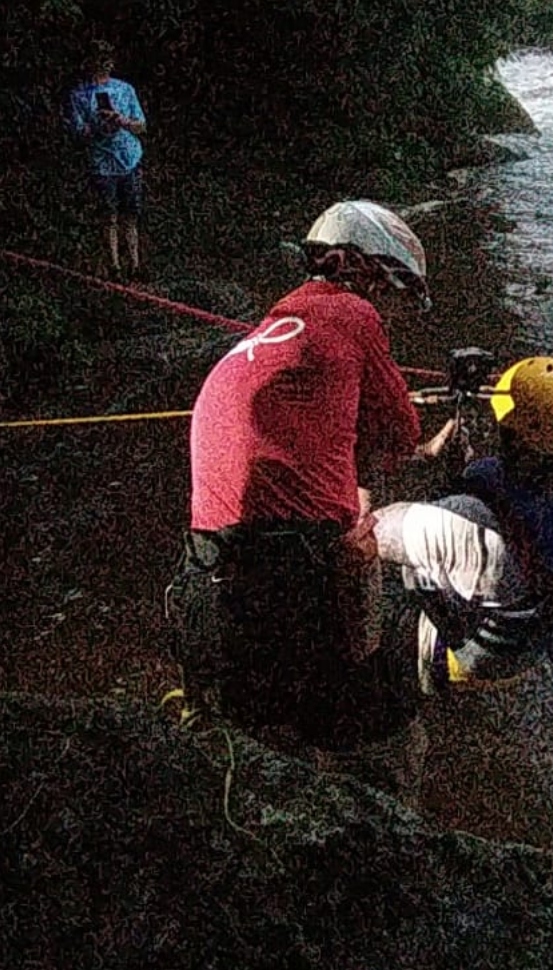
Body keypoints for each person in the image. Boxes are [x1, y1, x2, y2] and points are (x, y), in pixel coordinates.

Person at [165, 201, 455, 776]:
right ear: (367, 273)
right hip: (285, 580)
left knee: (257, 746)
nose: (394, 315)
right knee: (396, 732)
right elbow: (400, 432)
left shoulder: (268, 330)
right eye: (397, 294)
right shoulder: (353, 315)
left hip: (203, 579)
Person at [373, 356, 553, 695]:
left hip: (474, 660)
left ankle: (415, 686)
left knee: (388, 581)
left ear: (512, 442)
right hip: (536, 640)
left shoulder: (468, 520)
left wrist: (420, 465)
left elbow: (368, 534)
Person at [67, 41, 148, 278]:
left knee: (131, 214)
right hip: (101, 163)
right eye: (99, 59)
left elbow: (141, 125)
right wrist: (98, 126)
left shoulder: (125, 89)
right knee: (109, 215)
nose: (104, 64)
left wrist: (120, 120)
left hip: (129, 157)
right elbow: (78, 132)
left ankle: (135, 264)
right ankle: (114, 266)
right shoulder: (79, 94)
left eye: (107, 59)